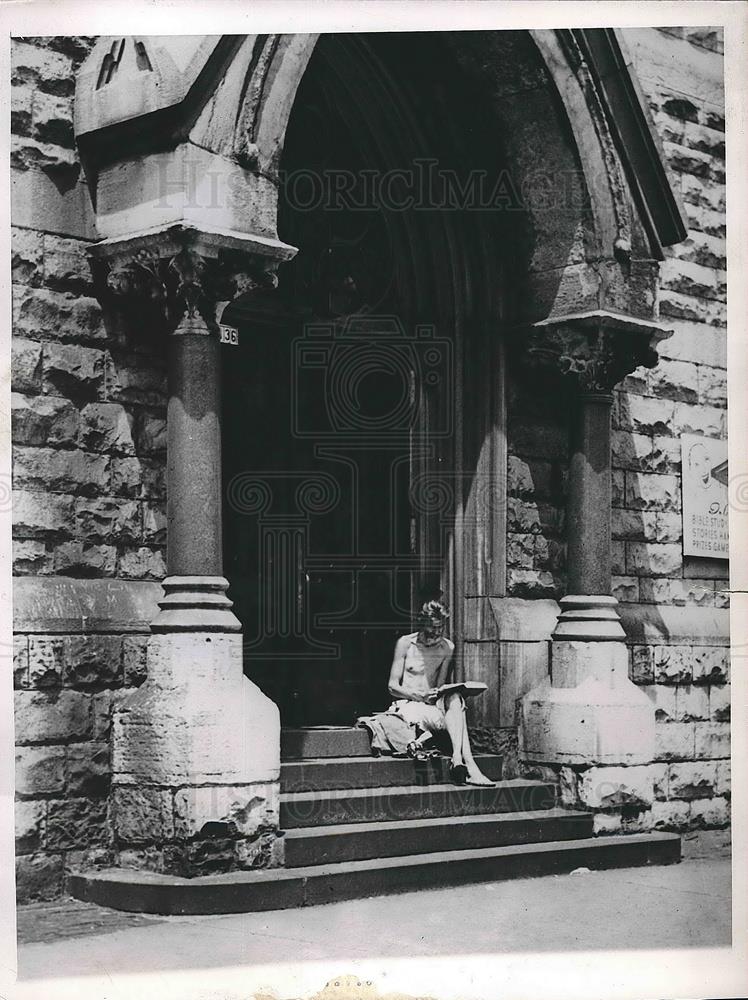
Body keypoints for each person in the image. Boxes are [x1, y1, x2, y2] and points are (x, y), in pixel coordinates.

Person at [385, 600, 494, 786]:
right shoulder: (405, 644)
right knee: (459, 712)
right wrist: (419, 695)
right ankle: (469, 767)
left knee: (456, 698)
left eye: (440, 628)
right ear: (423, 623)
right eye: (432, 628)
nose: (436, 633)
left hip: (430, 707)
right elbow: (392, 687)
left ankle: (458, 760)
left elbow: (440, 686)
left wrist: (439, 693)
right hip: (408, 706)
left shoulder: (447, 647)